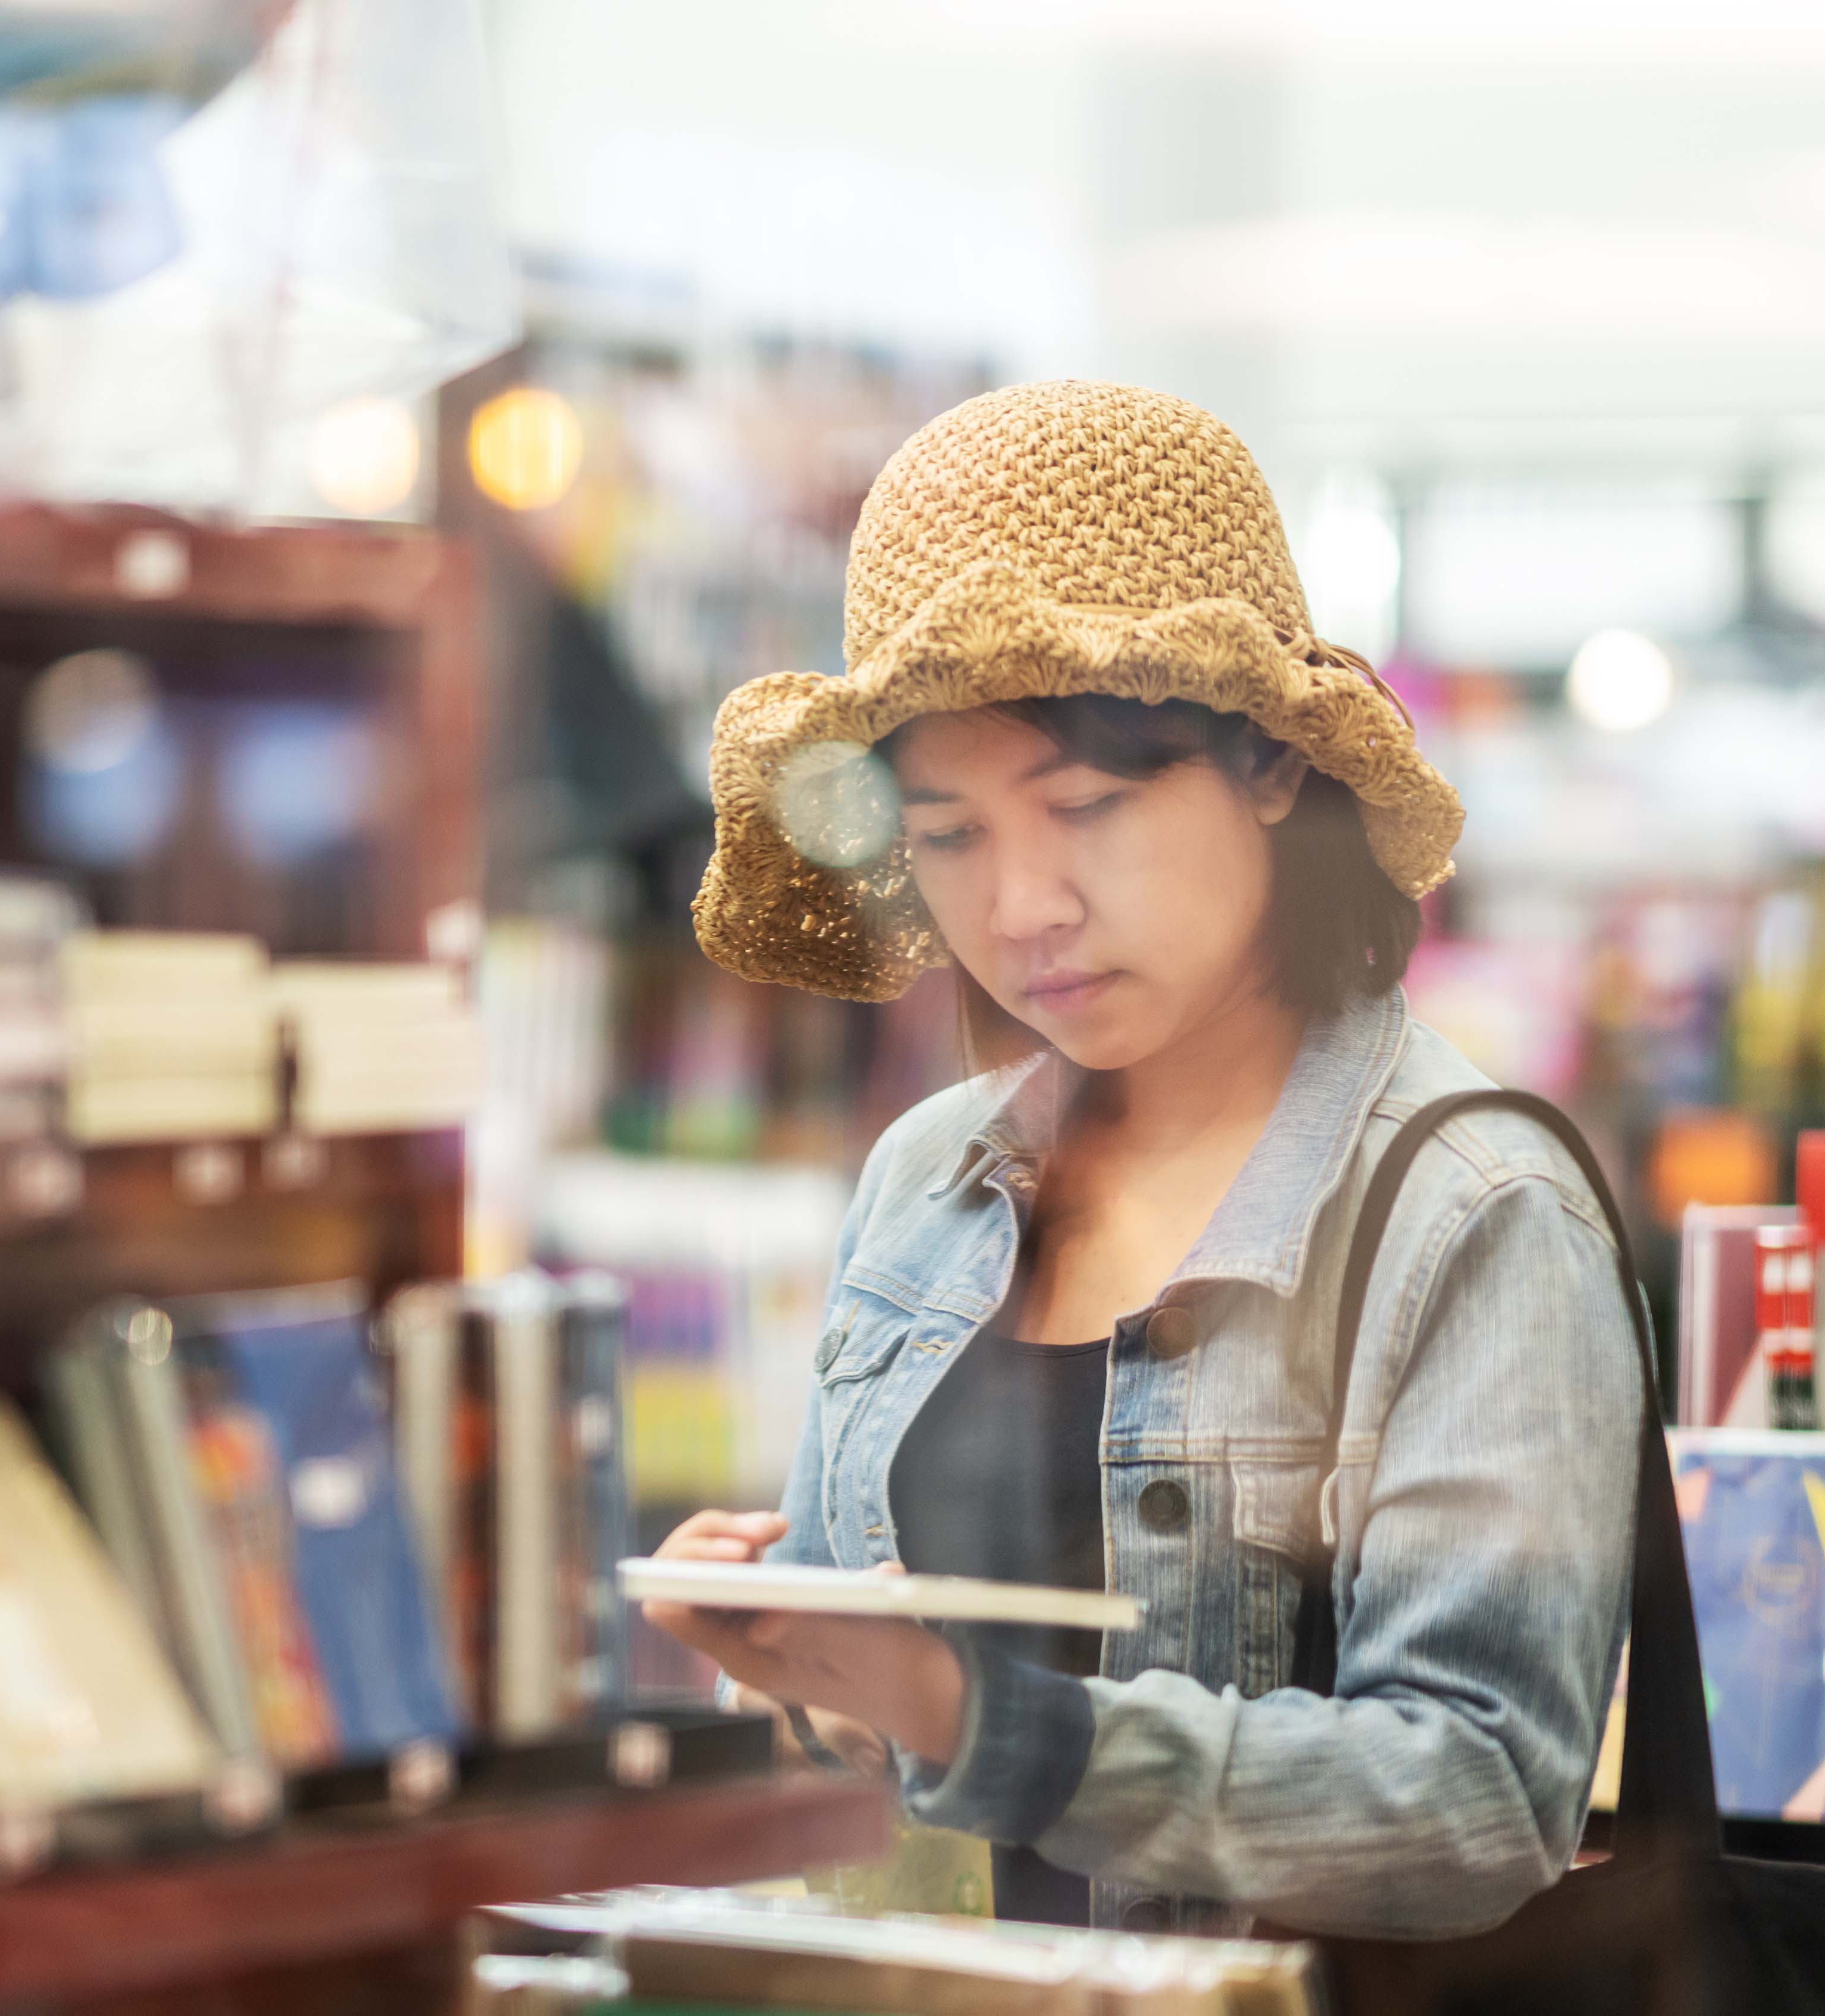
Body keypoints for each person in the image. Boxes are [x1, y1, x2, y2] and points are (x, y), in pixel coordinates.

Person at [644, 380, 1637, 1940]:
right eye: (952, 835)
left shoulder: (1469, 1212)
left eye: (1087, 806)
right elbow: (881, 1714)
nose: (1022, 904)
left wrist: (997, 1729)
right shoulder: (931, 1179)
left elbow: (1481, 1795)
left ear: (1274, 769)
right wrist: (788, 1656)